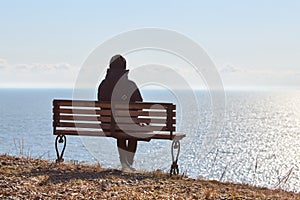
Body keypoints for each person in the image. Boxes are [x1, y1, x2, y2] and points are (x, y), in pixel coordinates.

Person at [98, 54, 143, 171]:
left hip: (108, 125)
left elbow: (100, 101)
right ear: (124, 68)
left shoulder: (103, 84)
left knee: (119, 131)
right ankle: (128, 162)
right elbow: (140, 104)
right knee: (131, 131)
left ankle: (125, 163)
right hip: (128, 125)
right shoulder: (130, 85)